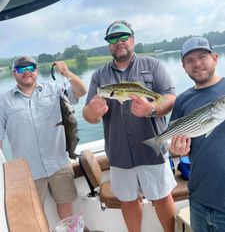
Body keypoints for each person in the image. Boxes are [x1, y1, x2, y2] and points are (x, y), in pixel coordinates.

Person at [82, 20, 177, 232]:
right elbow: (87, 114)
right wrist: (93, 112)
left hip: (152, 150)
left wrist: (151, 108)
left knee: (162, 197)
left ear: (132, 39)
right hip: (119, 153)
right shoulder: (99, 76)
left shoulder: (152, 65)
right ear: (108, 45)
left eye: (123, 37)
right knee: (127, 201)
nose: (119, 43)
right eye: (113, 39)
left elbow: (170, 98)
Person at [0, 56, 87, 220]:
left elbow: (81, 91)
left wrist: (67, 73)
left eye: (31, 68)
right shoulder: (3, 102)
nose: (27, 72)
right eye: (21, 69)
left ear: (37, 70)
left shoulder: (54, 89)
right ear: (13, 73)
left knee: (66, 208)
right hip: (28, 171)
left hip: (59, 164)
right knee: (34, 216)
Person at [169, 36, 225, 232]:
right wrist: (176, 150)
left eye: (202, 56)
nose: (197, 64)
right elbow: (175, 145)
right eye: (189, 60)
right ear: (183, 67)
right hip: (198, 198)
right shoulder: (182, 100)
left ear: (215, 58)